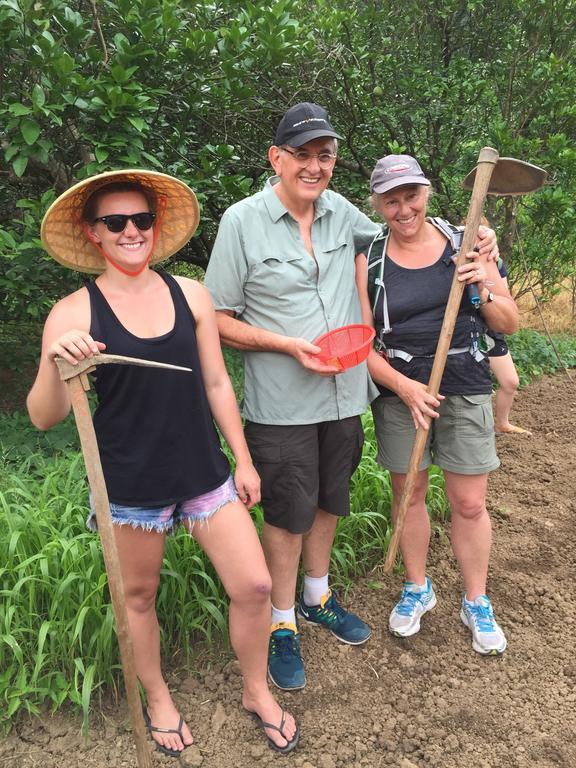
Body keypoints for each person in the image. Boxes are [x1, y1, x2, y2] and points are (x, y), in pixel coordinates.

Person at [204, 104, 499, 687]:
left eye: (325, 156)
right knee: (287, 514)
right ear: (277, 159)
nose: (314, 167)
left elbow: (408, 230)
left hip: (345, 398)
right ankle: (281, 623)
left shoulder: (343, 215)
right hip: (282, 402)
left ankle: (318, 596)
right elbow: (216, 318)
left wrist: (473, 234)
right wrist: (286, 345)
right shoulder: (243, 222)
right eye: (303, 155)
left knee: (328, 502)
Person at [26, 170, 298, 756]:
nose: (131, 231)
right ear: (92, 233)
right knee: (139, 597)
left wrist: (243, 462)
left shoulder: (191, 294)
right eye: (115, 222)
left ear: (155, 226)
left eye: (141, 220)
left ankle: (255, 688)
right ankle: (158, 697)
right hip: (130, 485)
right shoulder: (72, 312)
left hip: (204, 473)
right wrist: (57, 362)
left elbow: (219, 382)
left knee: (254, 585)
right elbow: (42, 416)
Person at [354, 154, 519, 656]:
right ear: (379, 204)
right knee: (411, 493)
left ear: (427, 192)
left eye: (411, 196)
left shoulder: (470, 242)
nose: (404, 208)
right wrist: (404, 388)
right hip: (401, 391)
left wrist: (480, 284)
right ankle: (417, 588)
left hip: (465, 381)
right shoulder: (370, 259)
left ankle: (476, 600)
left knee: (469, 502)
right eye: (391, 199)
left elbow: (508, 323)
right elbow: (362, 342)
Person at [487, 261, 532, 435]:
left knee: (510, 382)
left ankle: (502, 424)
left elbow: (503, 297)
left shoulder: (496, 263)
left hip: (490, 329)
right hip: (462, 330)